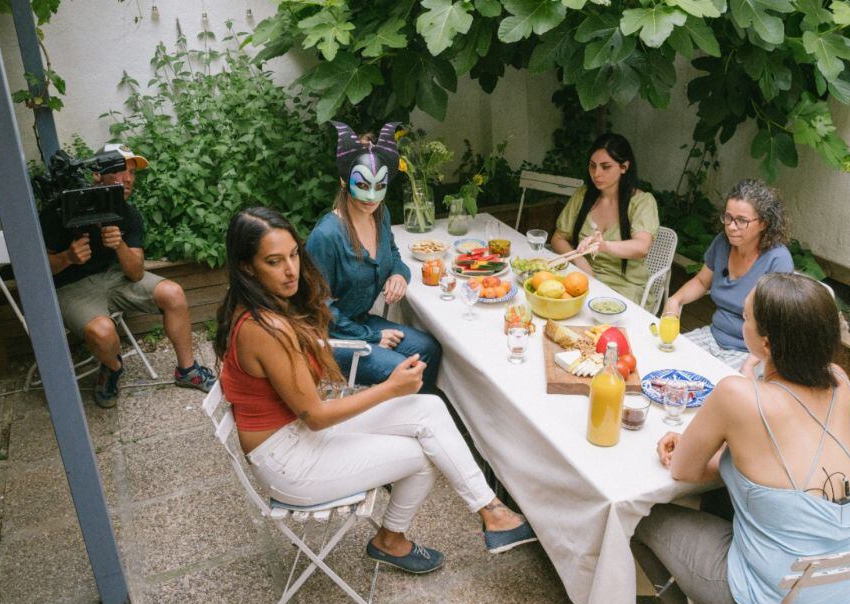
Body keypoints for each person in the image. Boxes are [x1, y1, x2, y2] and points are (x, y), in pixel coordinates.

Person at [215, 207, 537, 573]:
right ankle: (390, 541)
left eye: (293, 255)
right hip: (290, 461)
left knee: (427, 408)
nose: (291, 270)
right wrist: (390, 388)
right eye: (274, 261)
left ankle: (493, 513)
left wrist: (390, 385)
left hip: (296, 430)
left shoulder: (268, 306)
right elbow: (317, 416)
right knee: (424, 453)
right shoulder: (266, 327)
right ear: (247, 266)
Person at [634, 273, 850, 604]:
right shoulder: (839, 381)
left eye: (745, 318)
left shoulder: (737, 395)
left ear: (768, 344)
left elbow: (683, 470)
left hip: (772, 597)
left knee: (638, 516)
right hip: (849, 585)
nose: (741, 322)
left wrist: (696, 443)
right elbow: (774, 460)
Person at [39, 143, 215, 408]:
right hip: (71, 287)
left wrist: (119, 245)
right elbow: (37, 271)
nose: (128, 178)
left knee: (173, 293)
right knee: (103, 331)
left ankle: (187, 371)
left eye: (132, 173)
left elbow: (135, 273)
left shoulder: (127, 214)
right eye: (120, 170)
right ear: (97, 174)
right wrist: (68, 258)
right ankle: (111, 368)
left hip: (114, 278)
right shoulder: (59, 212)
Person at [306, 122, 441, 390]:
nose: (371, 196)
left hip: (361, 322)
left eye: (379, 186)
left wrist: (399, 274)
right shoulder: (327, 236)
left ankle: (418, 413)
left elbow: (392, 253)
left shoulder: (380, 214)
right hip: (331, 338)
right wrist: (371, 336)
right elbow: (317, 309)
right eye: (362, 184)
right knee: (404, 368)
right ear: (344, 180)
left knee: (428, 348)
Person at [663, 178, 793, 372]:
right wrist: (675, 300)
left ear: (763, 223)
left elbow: (779, 327)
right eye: (728, 217)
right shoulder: (722, 243)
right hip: (713, 336)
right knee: (664, 360)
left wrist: (751, 363)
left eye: (742, 220)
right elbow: (701, 281)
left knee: (708, 390)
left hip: (749, 352)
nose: (731, 226)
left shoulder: (778, 259)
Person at [549, 133, 660, 307]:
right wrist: (580, 260)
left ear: (624, 167)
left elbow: (642, 247)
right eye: (592, 166)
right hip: (581, 278)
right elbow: (558, 238)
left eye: (605, 167)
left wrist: (604, 246)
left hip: (623, 287)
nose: (596, 174)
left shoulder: (642, 202)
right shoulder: (583, 195)